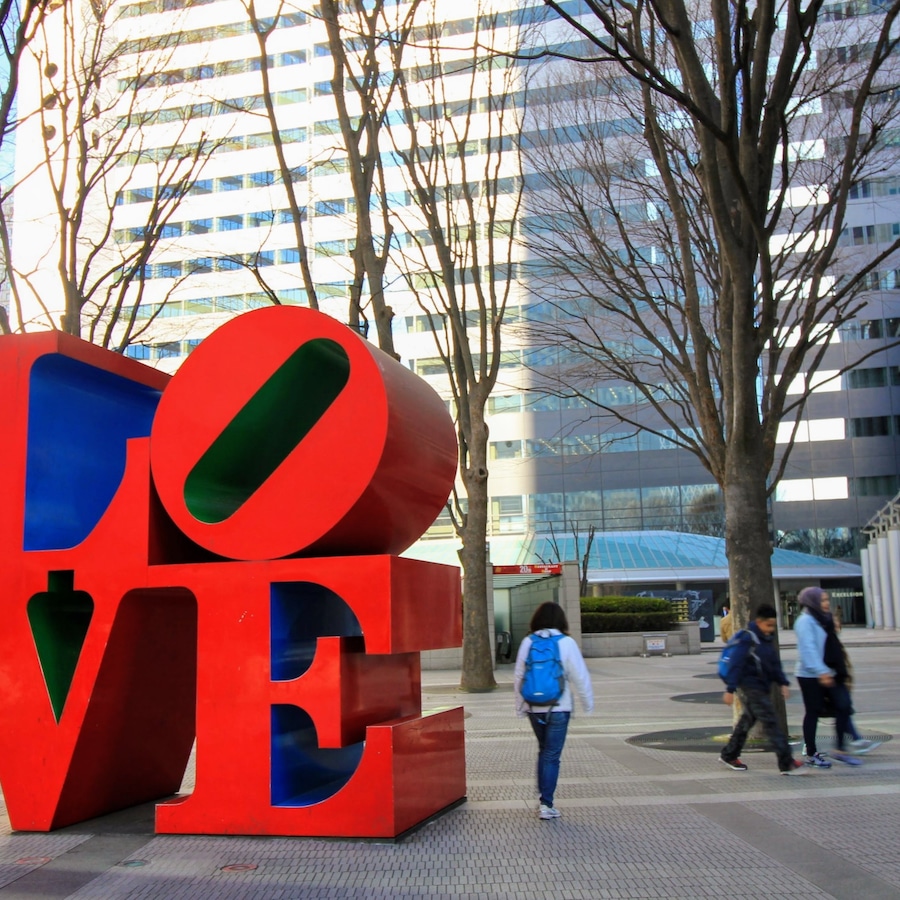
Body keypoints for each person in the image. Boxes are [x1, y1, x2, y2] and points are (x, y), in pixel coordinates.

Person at [514, 602, 594, 819]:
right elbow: (580, 675)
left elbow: (519, 676)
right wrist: (588, 704)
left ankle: (543, 799)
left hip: (534, 707)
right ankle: (546, 804)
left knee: (544, 751)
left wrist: (520, 707)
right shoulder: (566, 642)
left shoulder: (528, 642)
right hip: (559, 707)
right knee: (552, 754)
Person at [719, 603, 808, 775]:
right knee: (771, 723)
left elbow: (773, 663)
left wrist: (782, 682)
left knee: (746, 722)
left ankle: (729, 754)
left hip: (761, 686)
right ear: (759, 622)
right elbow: (736, 664)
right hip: (751, 687)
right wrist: (730, 689)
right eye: (768, 625)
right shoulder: (748, 638)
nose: (771, 629)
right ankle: (786, 762)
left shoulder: (766, 638)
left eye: (773, 625)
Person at [794, 586, 859, 768]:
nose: (826, 603)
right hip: (810, 674)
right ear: (812, 601)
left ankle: (840, 749)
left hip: (830, 672)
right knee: (813, 711)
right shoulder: (805, 621)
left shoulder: (824, 619)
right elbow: (808, 649)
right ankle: (811, 753)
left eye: (827, 600)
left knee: (844, 706)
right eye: (822, 600)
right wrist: (820, 671)